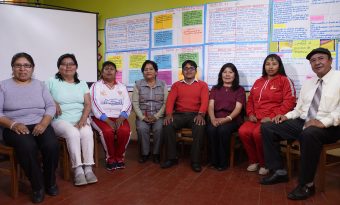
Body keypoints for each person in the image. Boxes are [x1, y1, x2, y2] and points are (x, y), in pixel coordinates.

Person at [260, 48, 340, 200]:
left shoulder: (339, 78)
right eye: (313, 61)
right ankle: (278, 171)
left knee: (309, 134)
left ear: (330, 60)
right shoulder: (309, 83)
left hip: (331, 126)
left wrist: (323, 122)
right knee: (268, 127)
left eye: (321, 58)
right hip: (303, 121)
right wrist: (285, 116)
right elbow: (298, 109)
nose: (317, 62)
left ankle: (306, 184)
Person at [0, 53, 59, 203]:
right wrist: (13, 124)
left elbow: (51, 106)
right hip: (14, 126)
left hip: (40, 123)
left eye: (27, 65)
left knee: (51, 145)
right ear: (12, 68)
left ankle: (50, 181)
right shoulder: (3, 86)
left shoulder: (40, 85)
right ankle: (37, 186)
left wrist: (44, 123)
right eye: (18, 65)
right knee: (27, 146)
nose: (22, 69)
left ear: (32, 68)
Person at [238, 54, 296, 175]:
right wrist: (250, 113)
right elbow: (251, 100)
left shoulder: (285, 80)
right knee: (243, 131)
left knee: (258, 134)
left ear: (279, 66)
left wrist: (272, 117)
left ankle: (265, 163)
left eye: (274, 64)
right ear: (264, 66)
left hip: (272, 119)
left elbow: (289, 102)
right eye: (268, 64)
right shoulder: (259, 81)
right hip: (255, 118)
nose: (270, 67)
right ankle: (254, 161)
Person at [47, 53, 97, 186]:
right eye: (64, 64)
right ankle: (78, 170)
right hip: (60, 119)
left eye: (71, 64)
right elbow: (42, 96)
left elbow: (88, 104)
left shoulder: (81, 84)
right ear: (59, 67)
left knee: (87, 132)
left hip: (79, 118)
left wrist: (83, 119)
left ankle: (88, 168)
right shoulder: (52, 81)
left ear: (76, 67)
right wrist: (53, 102)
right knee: (73, 133)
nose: (67, 66)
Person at [161, 60, 209, 172]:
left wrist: (201, 114)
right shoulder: (176, 85)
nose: (188, 70)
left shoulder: (202, 85)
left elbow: (205, 101)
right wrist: (168, 114)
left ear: (195, 71)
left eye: (191, 68)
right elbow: (170, 101)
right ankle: (172, 158)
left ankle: (195, 161)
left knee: (199, 125)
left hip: (195, 114)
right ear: (182, 71)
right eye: (186, 68)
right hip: (179, 114)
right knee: (168, 124)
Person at [90, 61, 131, 171]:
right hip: (100, 117)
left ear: (115, 72)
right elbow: (94, 102)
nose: (109, 71)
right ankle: (110, 158)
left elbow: (127, 103)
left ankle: (119, 158)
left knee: (125, 131)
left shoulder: (122, 86)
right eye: (106, 69)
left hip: (119, 117)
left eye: (111, 69)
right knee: (107, 131)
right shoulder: (96, 86)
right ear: (102, 72)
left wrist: (122, 117)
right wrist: (106, 119)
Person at [207, 63, 246, 171]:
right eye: (224, 72)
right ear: (221, 74)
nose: (227, 74)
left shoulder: (239, 90)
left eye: (230, 72)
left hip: (232, 119)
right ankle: (214, 161)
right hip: (216, 117)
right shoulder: (215, 89)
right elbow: (210, 105)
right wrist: (212, 118)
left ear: (235, 75)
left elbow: (238, 109)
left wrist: (227, 119)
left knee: (223, 130)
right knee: (211, 129)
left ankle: (223, 162)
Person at [132, 60, 167, 163]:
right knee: (142, 129)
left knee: (159, 129)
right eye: (145, 69)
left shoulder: (163, 84)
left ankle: (156, 153)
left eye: (151, 69)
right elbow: (135, 103)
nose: (148, 71)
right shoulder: (138, 84)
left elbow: (165, 103)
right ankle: (145, 153)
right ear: (143, 72)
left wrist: (156, 116)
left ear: (156, 72)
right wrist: (142, 117)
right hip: (143, 116)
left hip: (158, 116)